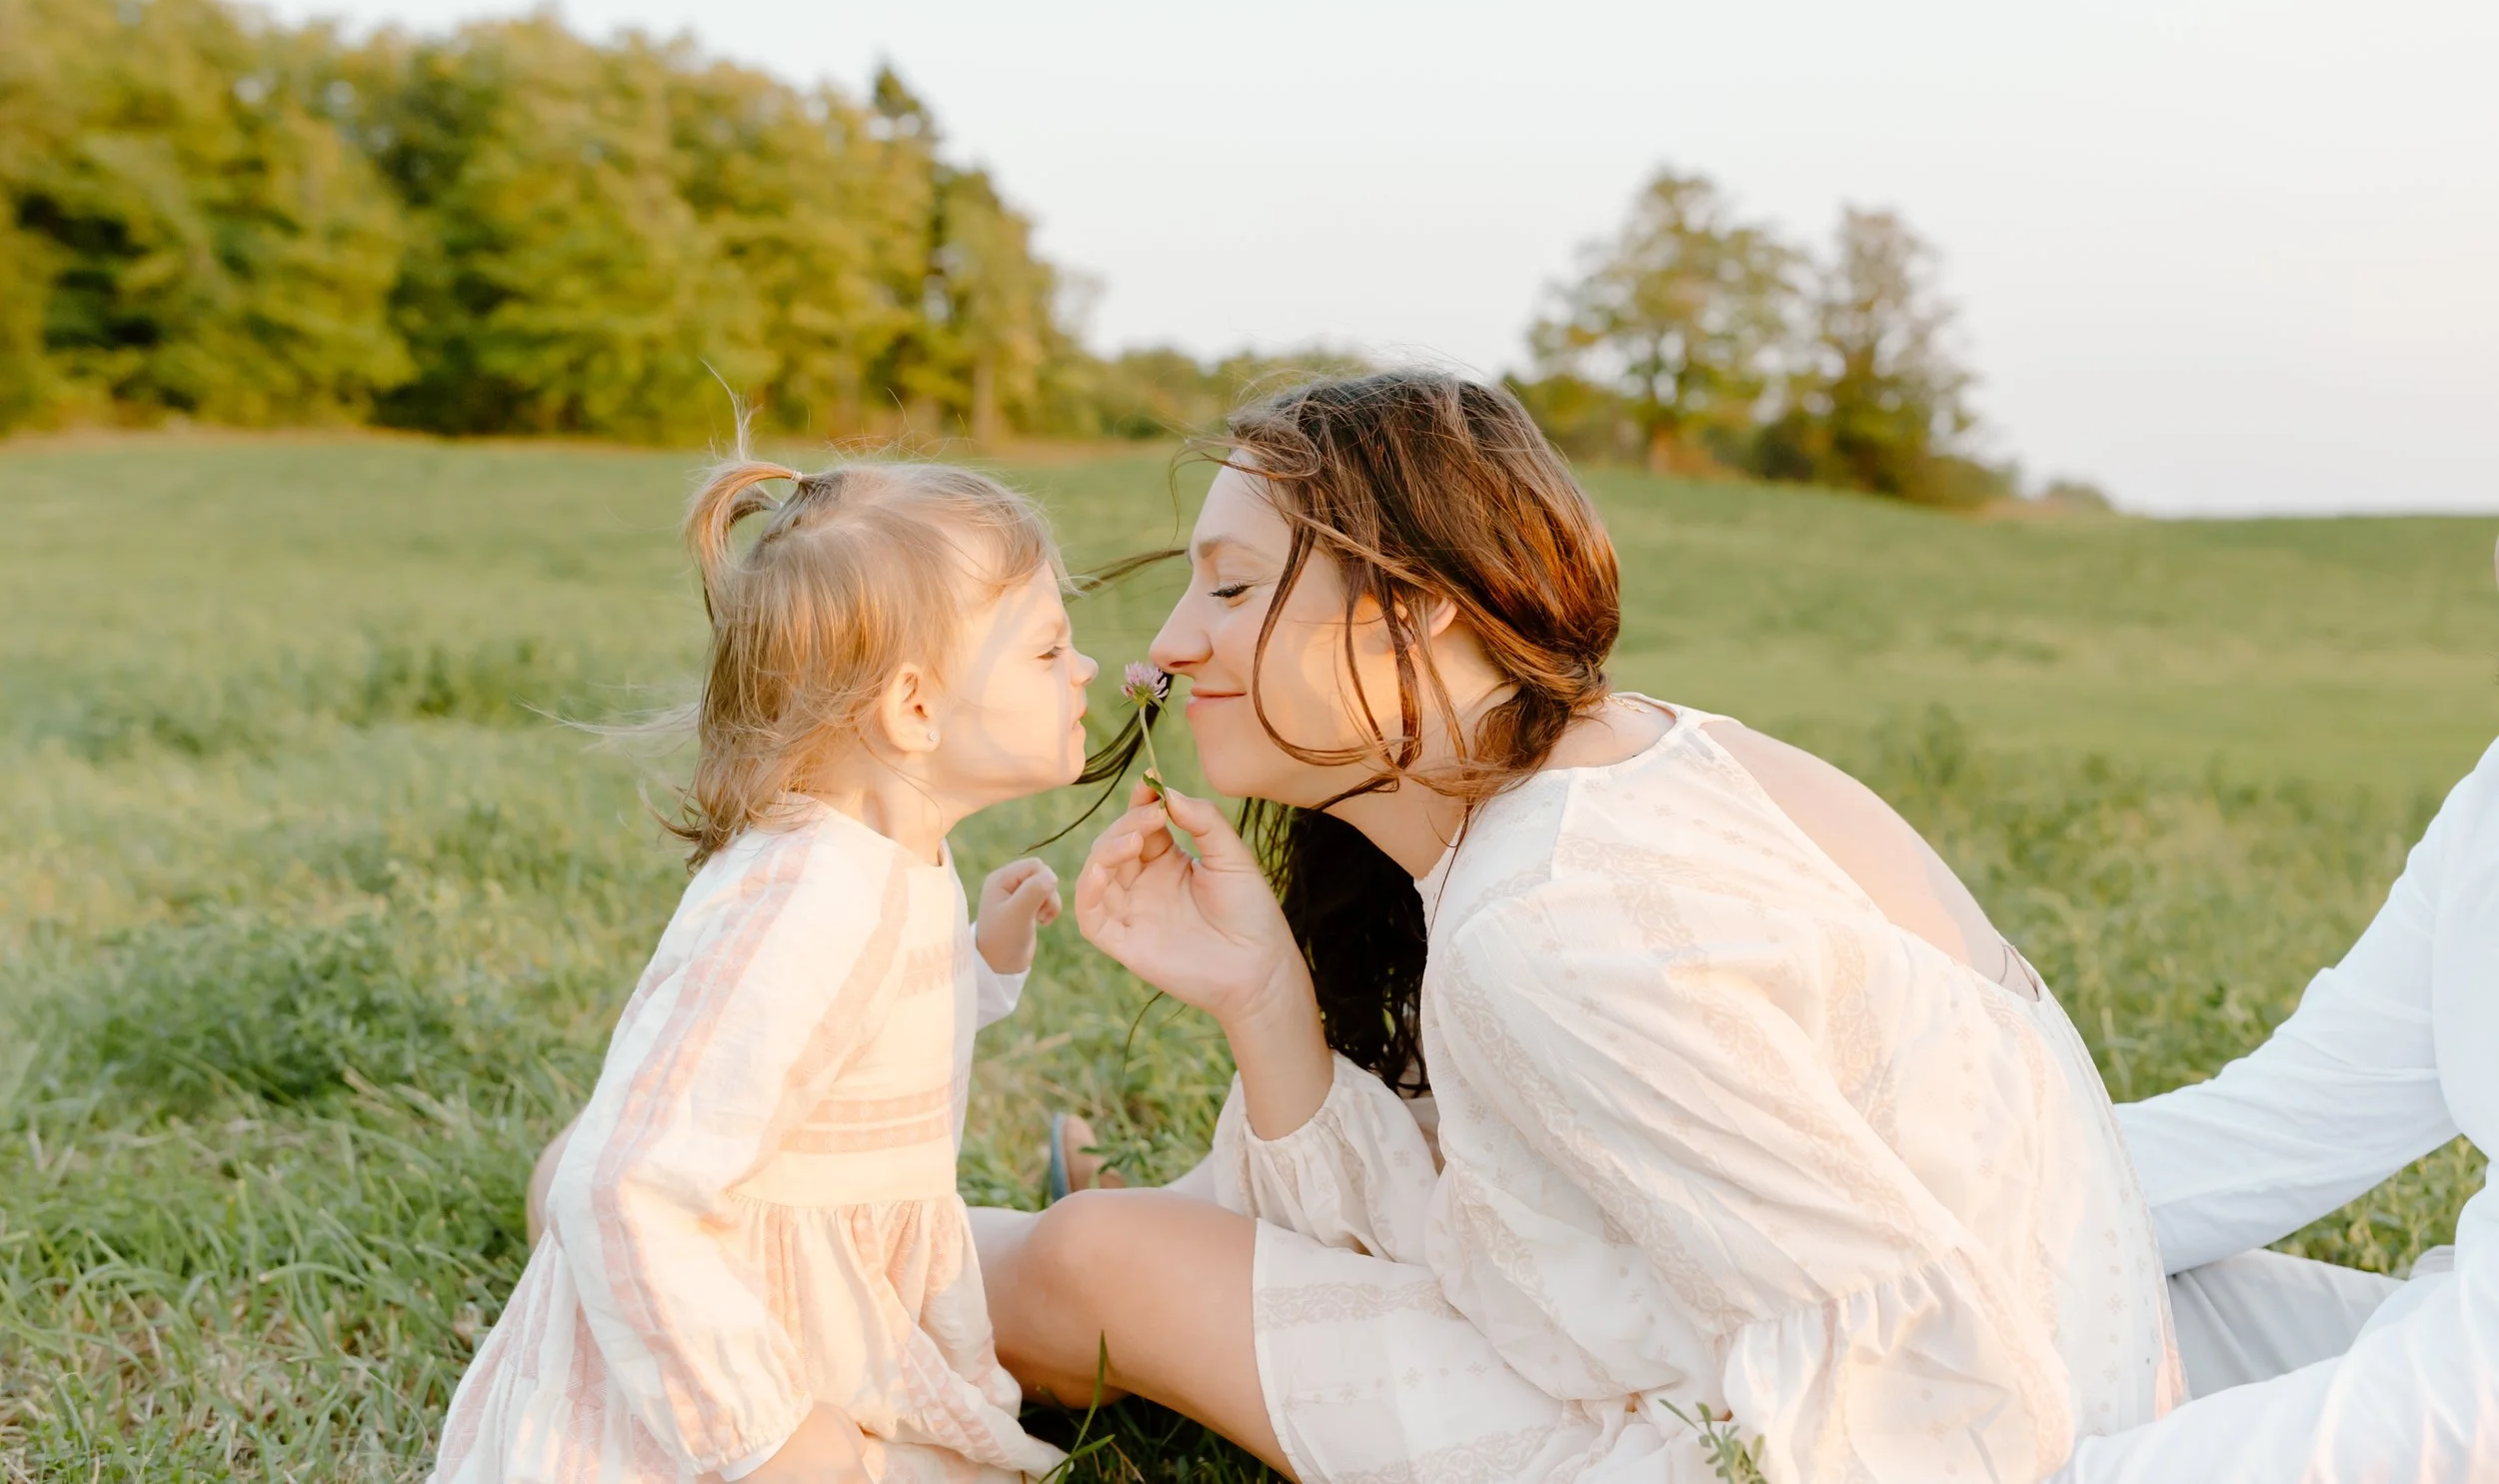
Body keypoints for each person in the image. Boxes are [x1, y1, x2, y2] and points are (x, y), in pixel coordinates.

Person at [976, 371, 2184, 1483]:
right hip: (2062, 1375)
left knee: (1096, 1263)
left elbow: (1930, 1392)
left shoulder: (1548, 918)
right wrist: (1263, 997)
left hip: (1860, 1441)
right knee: (1116, 1246)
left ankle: (818, 1273)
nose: (1170, 644)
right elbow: (1538, 1203)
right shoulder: (1636, 759)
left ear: (1420, 607)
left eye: (1231, 586)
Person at [433, 448, 1090, 1484]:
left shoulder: (892, 853)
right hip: (724, 1362)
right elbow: (621, 1182)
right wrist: (766, 1433)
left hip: (833, 1324)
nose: (1087, 668)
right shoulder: (808, 895)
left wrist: (979, 963)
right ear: (914, 709)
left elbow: (860, 1036)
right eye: (1050, 651)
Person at [2055, 728, 2499, 1480]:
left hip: (2470, 1388)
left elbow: (2467, 1404)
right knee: (2071, 1287)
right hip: (2461, 1342)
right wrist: (1926, 1222)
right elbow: (2287, 1127)